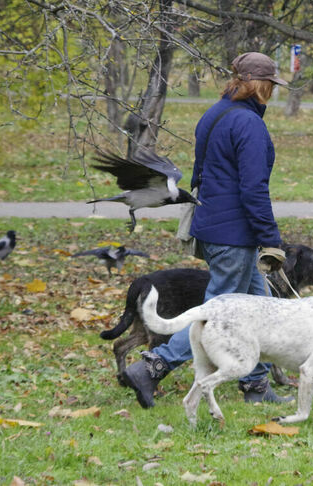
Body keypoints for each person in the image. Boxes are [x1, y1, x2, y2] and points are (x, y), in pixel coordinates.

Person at [122, 52, 292, 407]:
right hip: (234, 235)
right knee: (214, 315)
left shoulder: (214, 114)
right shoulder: (248, 124)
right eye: (271, 86)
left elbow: (201, 174)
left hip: (214, 227)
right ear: (260, 86)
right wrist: (270, 240)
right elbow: (253, 189)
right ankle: (153, 366)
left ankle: (257, 387)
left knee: (259, 308)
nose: (273, 93)